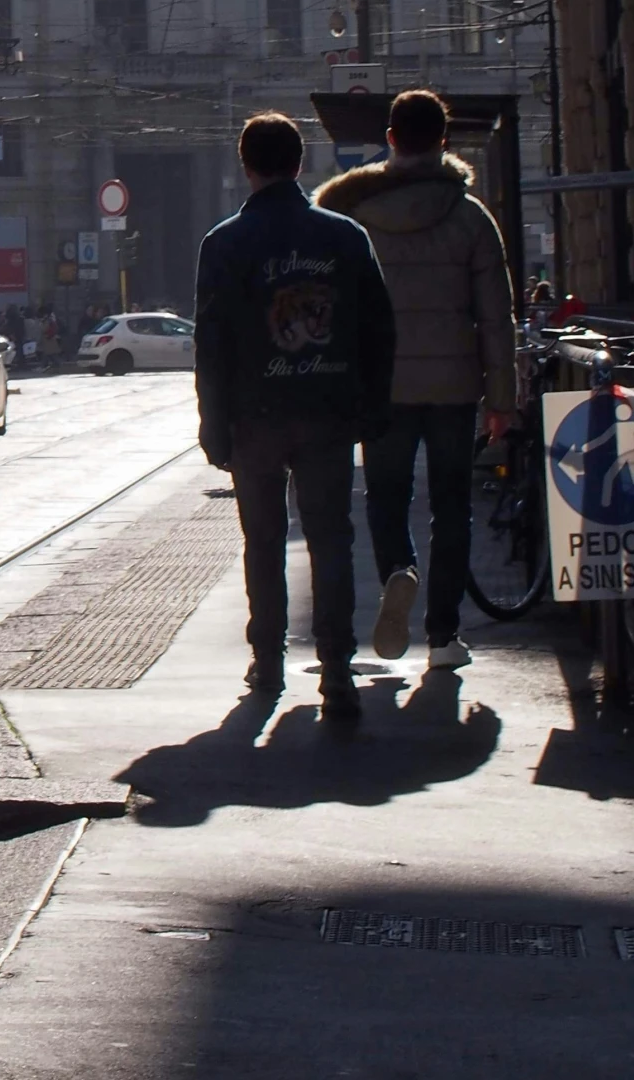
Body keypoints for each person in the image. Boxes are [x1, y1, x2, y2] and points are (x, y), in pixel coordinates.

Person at [195, 112, 396, 719]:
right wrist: (372, 404)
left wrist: (213, 421)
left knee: (262, 541)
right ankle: (336, 665)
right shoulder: (344, 236)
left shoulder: (224, 243)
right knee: (331, 537)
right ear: (300, 164)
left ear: (246, 166)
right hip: (328, 409)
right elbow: (378, 328)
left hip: (254, 415)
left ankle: (269, 660)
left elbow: (211, 341)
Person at [315, 89, 516, 671]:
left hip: (384, 386)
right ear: (445, 142)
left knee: (385, 497)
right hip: (455, 386)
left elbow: (338, 310)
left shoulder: (356, 217)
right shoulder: (472, 218)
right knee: (452, 506)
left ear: (391, 139)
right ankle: (444, 636)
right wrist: (502, 399)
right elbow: (495, 317)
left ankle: (398, 572)